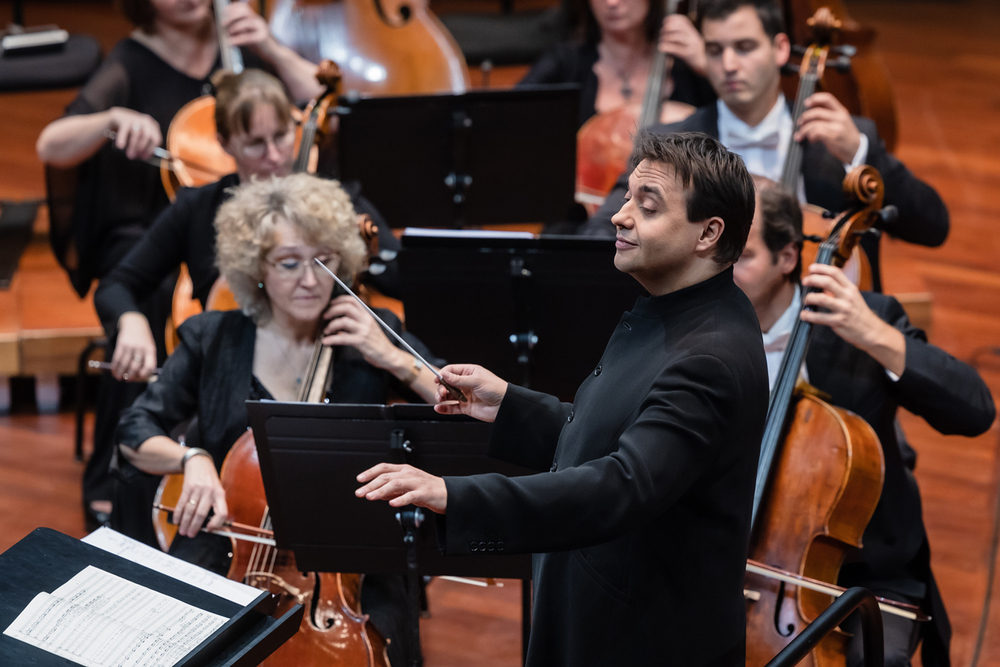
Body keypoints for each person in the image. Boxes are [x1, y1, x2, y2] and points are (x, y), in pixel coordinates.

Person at [354, 131, 769, 666]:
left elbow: (622, 484)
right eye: (625, 199)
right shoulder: (677, 309)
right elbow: (616, 432)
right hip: (601, 609)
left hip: (641, 639)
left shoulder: (708, 354)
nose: (619, 216)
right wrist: (508, 404)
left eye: (647, 206)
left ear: (708, 233)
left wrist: (455, 495)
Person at [116, 173, 439, 666]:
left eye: (323, 261)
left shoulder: (375, 334)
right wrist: (192, 457)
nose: (310, 281)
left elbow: (457, 403)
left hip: (347, 564)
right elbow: (135, 431)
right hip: (228, 552)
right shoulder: (213, 337)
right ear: (257, 268)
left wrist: (393, 358)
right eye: (289, 264)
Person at [35, 0, 323, 527]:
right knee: (151, 296)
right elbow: (50, 145)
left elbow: (325, 101)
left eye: (279, 138)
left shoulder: (244, 52)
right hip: (159, 221)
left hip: (265, 219)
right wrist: (111, 119)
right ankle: (126, 462)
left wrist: (269, 45)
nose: (275, 154)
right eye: (254, 142)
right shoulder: (130, 61)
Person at [732, 180, 995, 667]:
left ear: (788, 257)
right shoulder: (700, 327)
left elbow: (975, 411)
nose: (722, 272)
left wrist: (873, 335)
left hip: (865, 570)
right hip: (733, 558)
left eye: (742, 256)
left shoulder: (860, 322)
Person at [581, 0, 949, 293]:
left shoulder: (842, 138)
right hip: (701, 330)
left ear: (780, 48)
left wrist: (860, 155)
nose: (728, 65)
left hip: (824, 339)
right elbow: (597, 238)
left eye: (744, 48)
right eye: (714, 49)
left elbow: (932, 227)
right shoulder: (671, 142)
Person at [520, 0, 715, 128]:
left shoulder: (689, 66)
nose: (612, 2)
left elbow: (741, 127)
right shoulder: (564, 62)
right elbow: (508, 120)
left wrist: (710, 66)